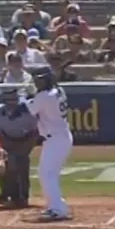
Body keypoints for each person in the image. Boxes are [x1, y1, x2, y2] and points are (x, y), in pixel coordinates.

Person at [22, 67, 73, 220]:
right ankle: (57, 205)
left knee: (46, 174)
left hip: (56, 139)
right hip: (60, 137)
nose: (37, 83)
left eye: (41, 80)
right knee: (50, 174)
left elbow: (30, 109)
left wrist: (24, 96)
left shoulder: (44, 96)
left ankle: (57, 209)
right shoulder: (58, 90)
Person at [0, 89, 38, 208]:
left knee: (22, 164)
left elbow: (36, 131)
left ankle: (22, 196)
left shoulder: (29, 111)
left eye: (14, 100)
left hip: (26, 139)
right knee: (5, 164)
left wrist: (27, 145)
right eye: (8, 101)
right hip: (6, 139)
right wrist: (4, 145)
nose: (11, 104)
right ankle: (6, 194)